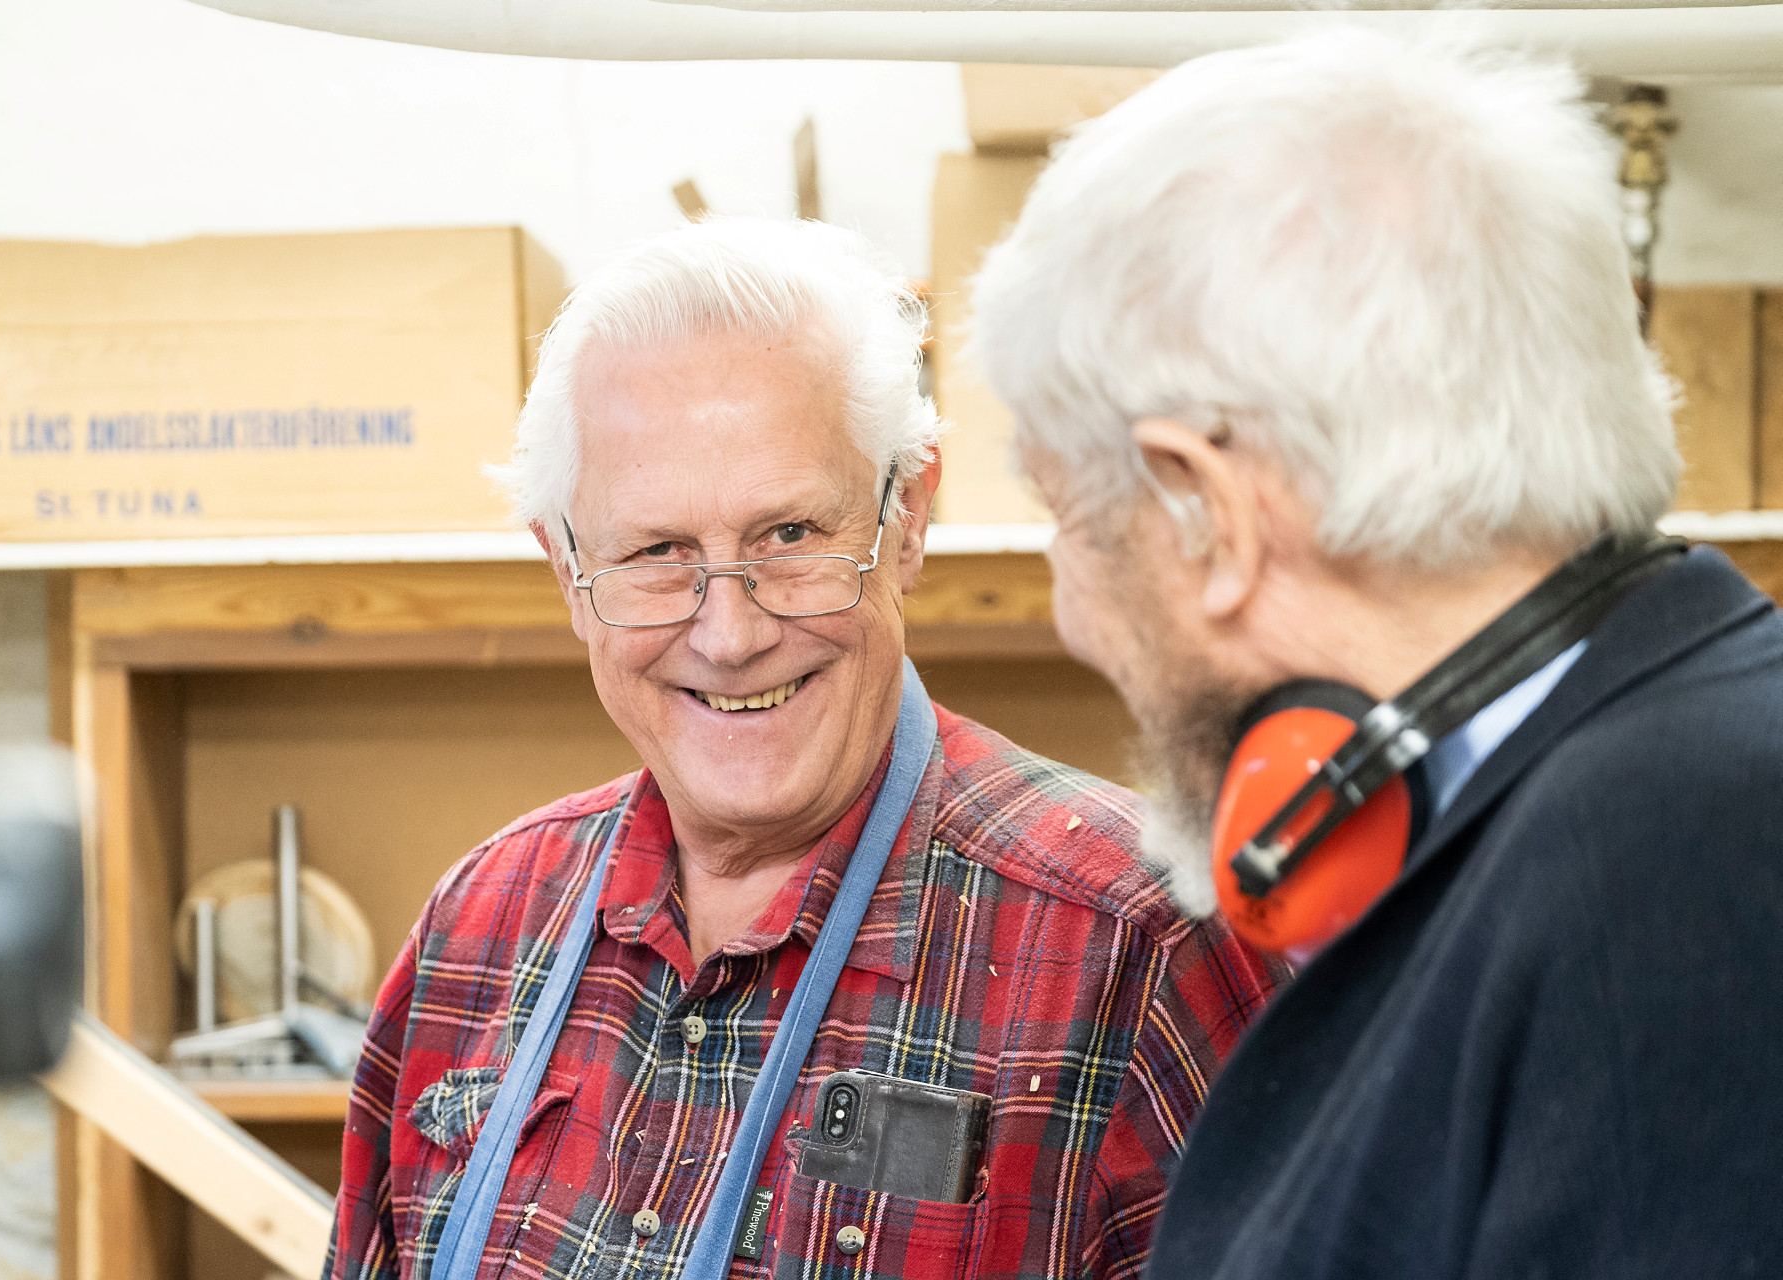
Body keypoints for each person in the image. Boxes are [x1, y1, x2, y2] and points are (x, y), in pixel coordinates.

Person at [970, 28, 1783, 1280]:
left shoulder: (1672, 873)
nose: (1071, 611)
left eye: (1071, 516)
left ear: (1208, 510)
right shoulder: (1624, 800)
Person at [326, 218, 1282, 1280]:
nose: (730, 635)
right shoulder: (478, 925)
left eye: (789, 535)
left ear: (906, 517)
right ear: (567, 571)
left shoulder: (1139, 947)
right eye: (656, 551)